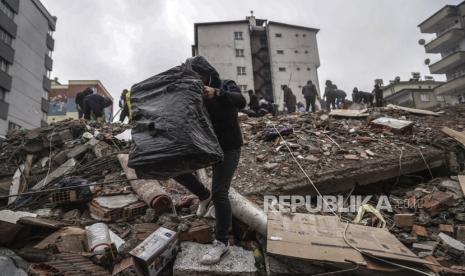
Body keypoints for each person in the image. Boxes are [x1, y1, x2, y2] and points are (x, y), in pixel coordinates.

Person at [173, 56, 246, 265]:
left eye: (199, 76)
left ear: (207, 73)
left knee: (220, 192)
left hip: (229, 148)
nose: (197, 80)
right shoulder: (194, 96)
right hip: (206, 148)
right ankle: (203, 195)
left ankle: (222, 243)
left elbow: (241, 101)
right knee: (175, 167)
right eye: (192, 78)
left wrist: (218, 93)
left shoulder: (225, 85)